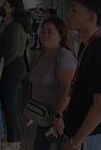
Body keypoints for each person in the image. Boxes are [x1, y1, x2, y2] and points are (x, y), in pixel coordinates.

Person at [64, 0, 101, 150]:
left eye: (74, 10)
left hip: (91, 138)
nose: (68, 14)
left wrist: (75, 142)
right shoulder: (87, 45)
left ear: (91, 17)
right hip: (82, 134)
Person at [29, 17, 77, 150]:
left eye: (50, 32)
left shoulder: (64, 57)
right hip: (43, 116)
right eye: (43, 31)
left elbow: (68, 89)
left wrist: (58, 115)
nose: (45, 35)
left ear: (61, 36)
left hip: (58, 119)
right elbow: (36, 84)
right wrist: (32, 110)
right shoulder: (42, 56)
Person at [0, 0, 31, 149]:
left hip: (12, 67)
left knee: (9, 103)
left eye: (5, 5)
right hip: (16, 67)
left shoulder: (15, 26)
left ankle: (13, 141)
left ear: (12, 7)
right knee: (12, 104)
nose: (2, 7)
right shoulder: (16, 24)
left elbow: (10, 51)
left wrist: (1, 67)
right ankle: (15, 137)